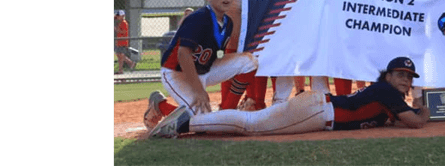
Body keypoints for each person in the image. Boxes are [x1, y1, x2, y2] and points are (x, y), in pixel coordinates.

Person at [148, 56, 430, 138]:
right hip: (318, 112)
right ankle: (184, 123)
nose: (405, 81)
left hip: (318, 110)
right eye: (401, 75)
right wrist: (423, 107)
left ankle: (164, 107)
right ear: (389, 76)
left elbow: (391, 118)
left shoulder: (387, 96)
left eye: (409, 77)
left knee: (254, 123)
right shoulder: (386, 90)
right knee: (252, 125)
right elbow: (415, 123)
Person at [143, 0, 260, 131]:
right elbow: (183, 55)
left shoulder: (228, 23)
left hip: (205, 68)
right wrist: (199, 90)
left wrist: (230, 68)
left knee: (250, 61)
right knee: (204, 123)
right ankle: (160, 105)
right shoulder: (198, 19)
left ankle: (226, 109)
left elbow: (218, 54)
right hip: (177, 72)